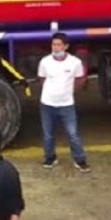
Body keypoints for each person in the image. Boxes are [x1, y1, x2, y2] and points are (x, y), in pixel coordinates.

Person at [38, 32, 90, 172]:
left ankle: (80, 160)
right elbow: (42, 78)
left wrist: (68, 92)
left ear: (66, 46)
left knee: (73, 134)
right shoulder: (45, 62)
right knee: (48, 135)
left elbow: (80, 79)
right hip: (47, 104)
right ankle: (50, 157)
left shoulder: (75, 62)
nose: (56, 48)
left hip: (67, 105)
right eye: (53, 44)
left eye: (59, 45)